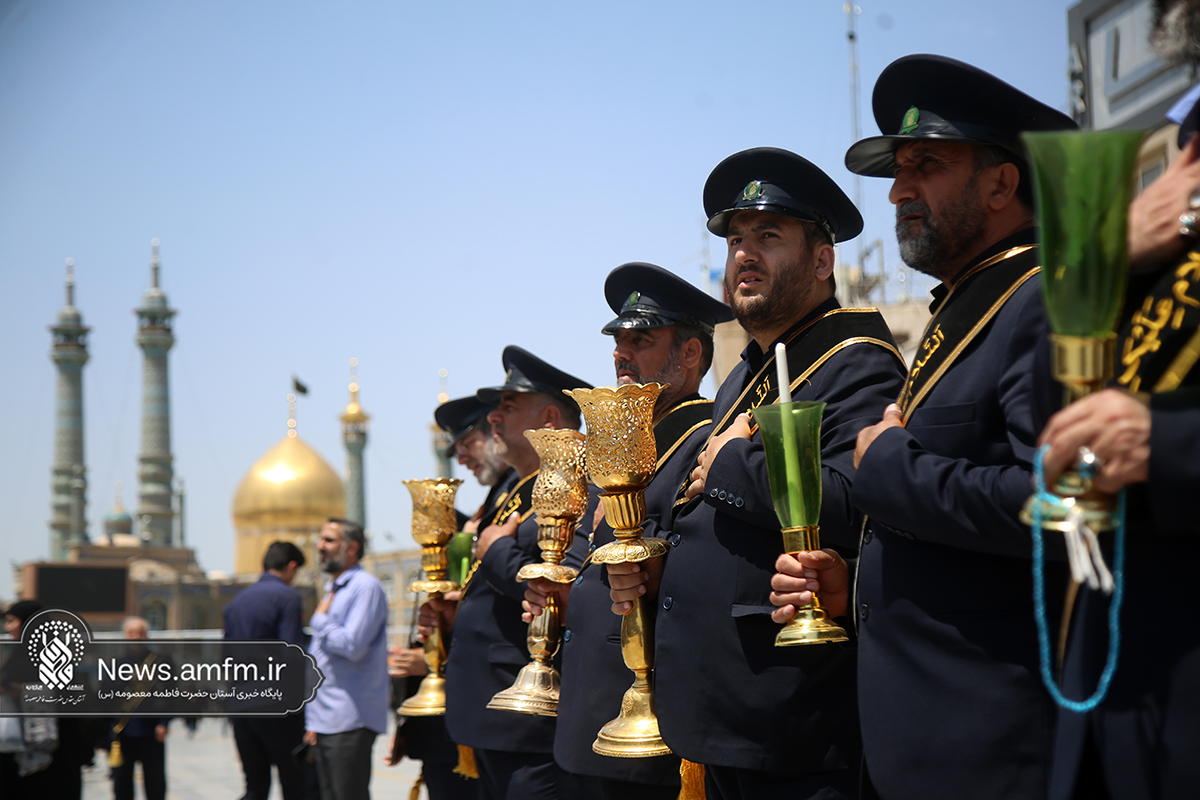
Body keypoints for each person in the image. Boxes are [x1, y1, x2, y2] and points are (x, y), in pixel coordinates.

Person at [791, 54, 1075, 800]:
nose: (897, 190)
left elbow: (1061, 509)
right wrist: (853, 587)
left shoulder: (1042, 302)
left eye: (927, 164)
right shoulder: (968, 305)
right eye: (898, 169)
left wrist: (888, 469)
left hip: (993, 744)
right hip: (920, 742)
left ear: (1001, 182)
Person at [609, 148, 905, 800]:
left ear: (823, 261)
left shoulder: (853, 360)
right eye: (736, 238)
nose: (743, 253)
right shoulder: (747, 374)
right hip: (721, 718)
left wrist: (734, 463)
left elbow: (863, 502)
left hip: (792, 718)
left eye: (769, 236)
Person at [1036, 3, 1200, 796]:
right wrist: (1112, 256)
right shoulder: (1182, 165)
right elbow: (1057, 410)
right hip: (1114, 696)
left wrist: (1167, 444)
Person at [523, 262, 734, 800]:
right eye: (618, 340)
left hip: (649, 732)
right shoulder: (621, 446)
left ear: (689, 354)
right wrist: (558, 592)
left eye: (640, 340)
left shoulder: (704, 441)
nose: (621, 353)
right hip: (588, 723)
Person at [437, 346, 594, 800]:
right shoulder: (514, 488)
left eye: (508, 406)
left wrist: (496, 549)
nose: (494, 419)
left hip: (525, 716)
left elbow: (564, 580)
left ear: (548, 419)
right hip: (491, 709)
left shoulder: (573, 480)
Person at [303, 518, 389, 800]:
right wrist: (313, 720)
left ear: (351, 547)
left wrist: (319, 620)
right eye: (321, 540)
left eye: (329, 540)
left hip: (350, 719)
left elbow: (353, 646)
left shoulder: (365, 588)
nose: (320, 547)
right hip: (327, 718)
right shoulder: (334, 588)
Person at [224, 540, 308, 800]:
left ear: (264, 566)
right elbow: (292, 654)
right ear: (292, 567)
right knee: (296, 782)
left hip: (240, 705)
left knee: (255, 786)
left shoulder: (235, 603)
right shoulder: (288, 597)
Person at [0, 600, 92, 800]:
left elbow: (64, 696)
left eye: (12, 621)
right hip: (19, 750)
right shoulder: (18, 654)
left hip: (52, 754)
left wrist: (14, 690)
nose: (7, 627)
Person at [110, 616, 170, 800]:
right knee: (122, 785)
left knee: (155, 784)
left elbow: (172, 694)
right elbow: (104, 694)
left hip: (152, 732)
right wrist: (127, 679)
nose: (136, 637)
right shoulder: (116, 664)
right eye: (131, 633)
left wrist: (164, 722)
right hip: (123, 733)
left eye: (140, 633)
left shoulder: (161, 662)